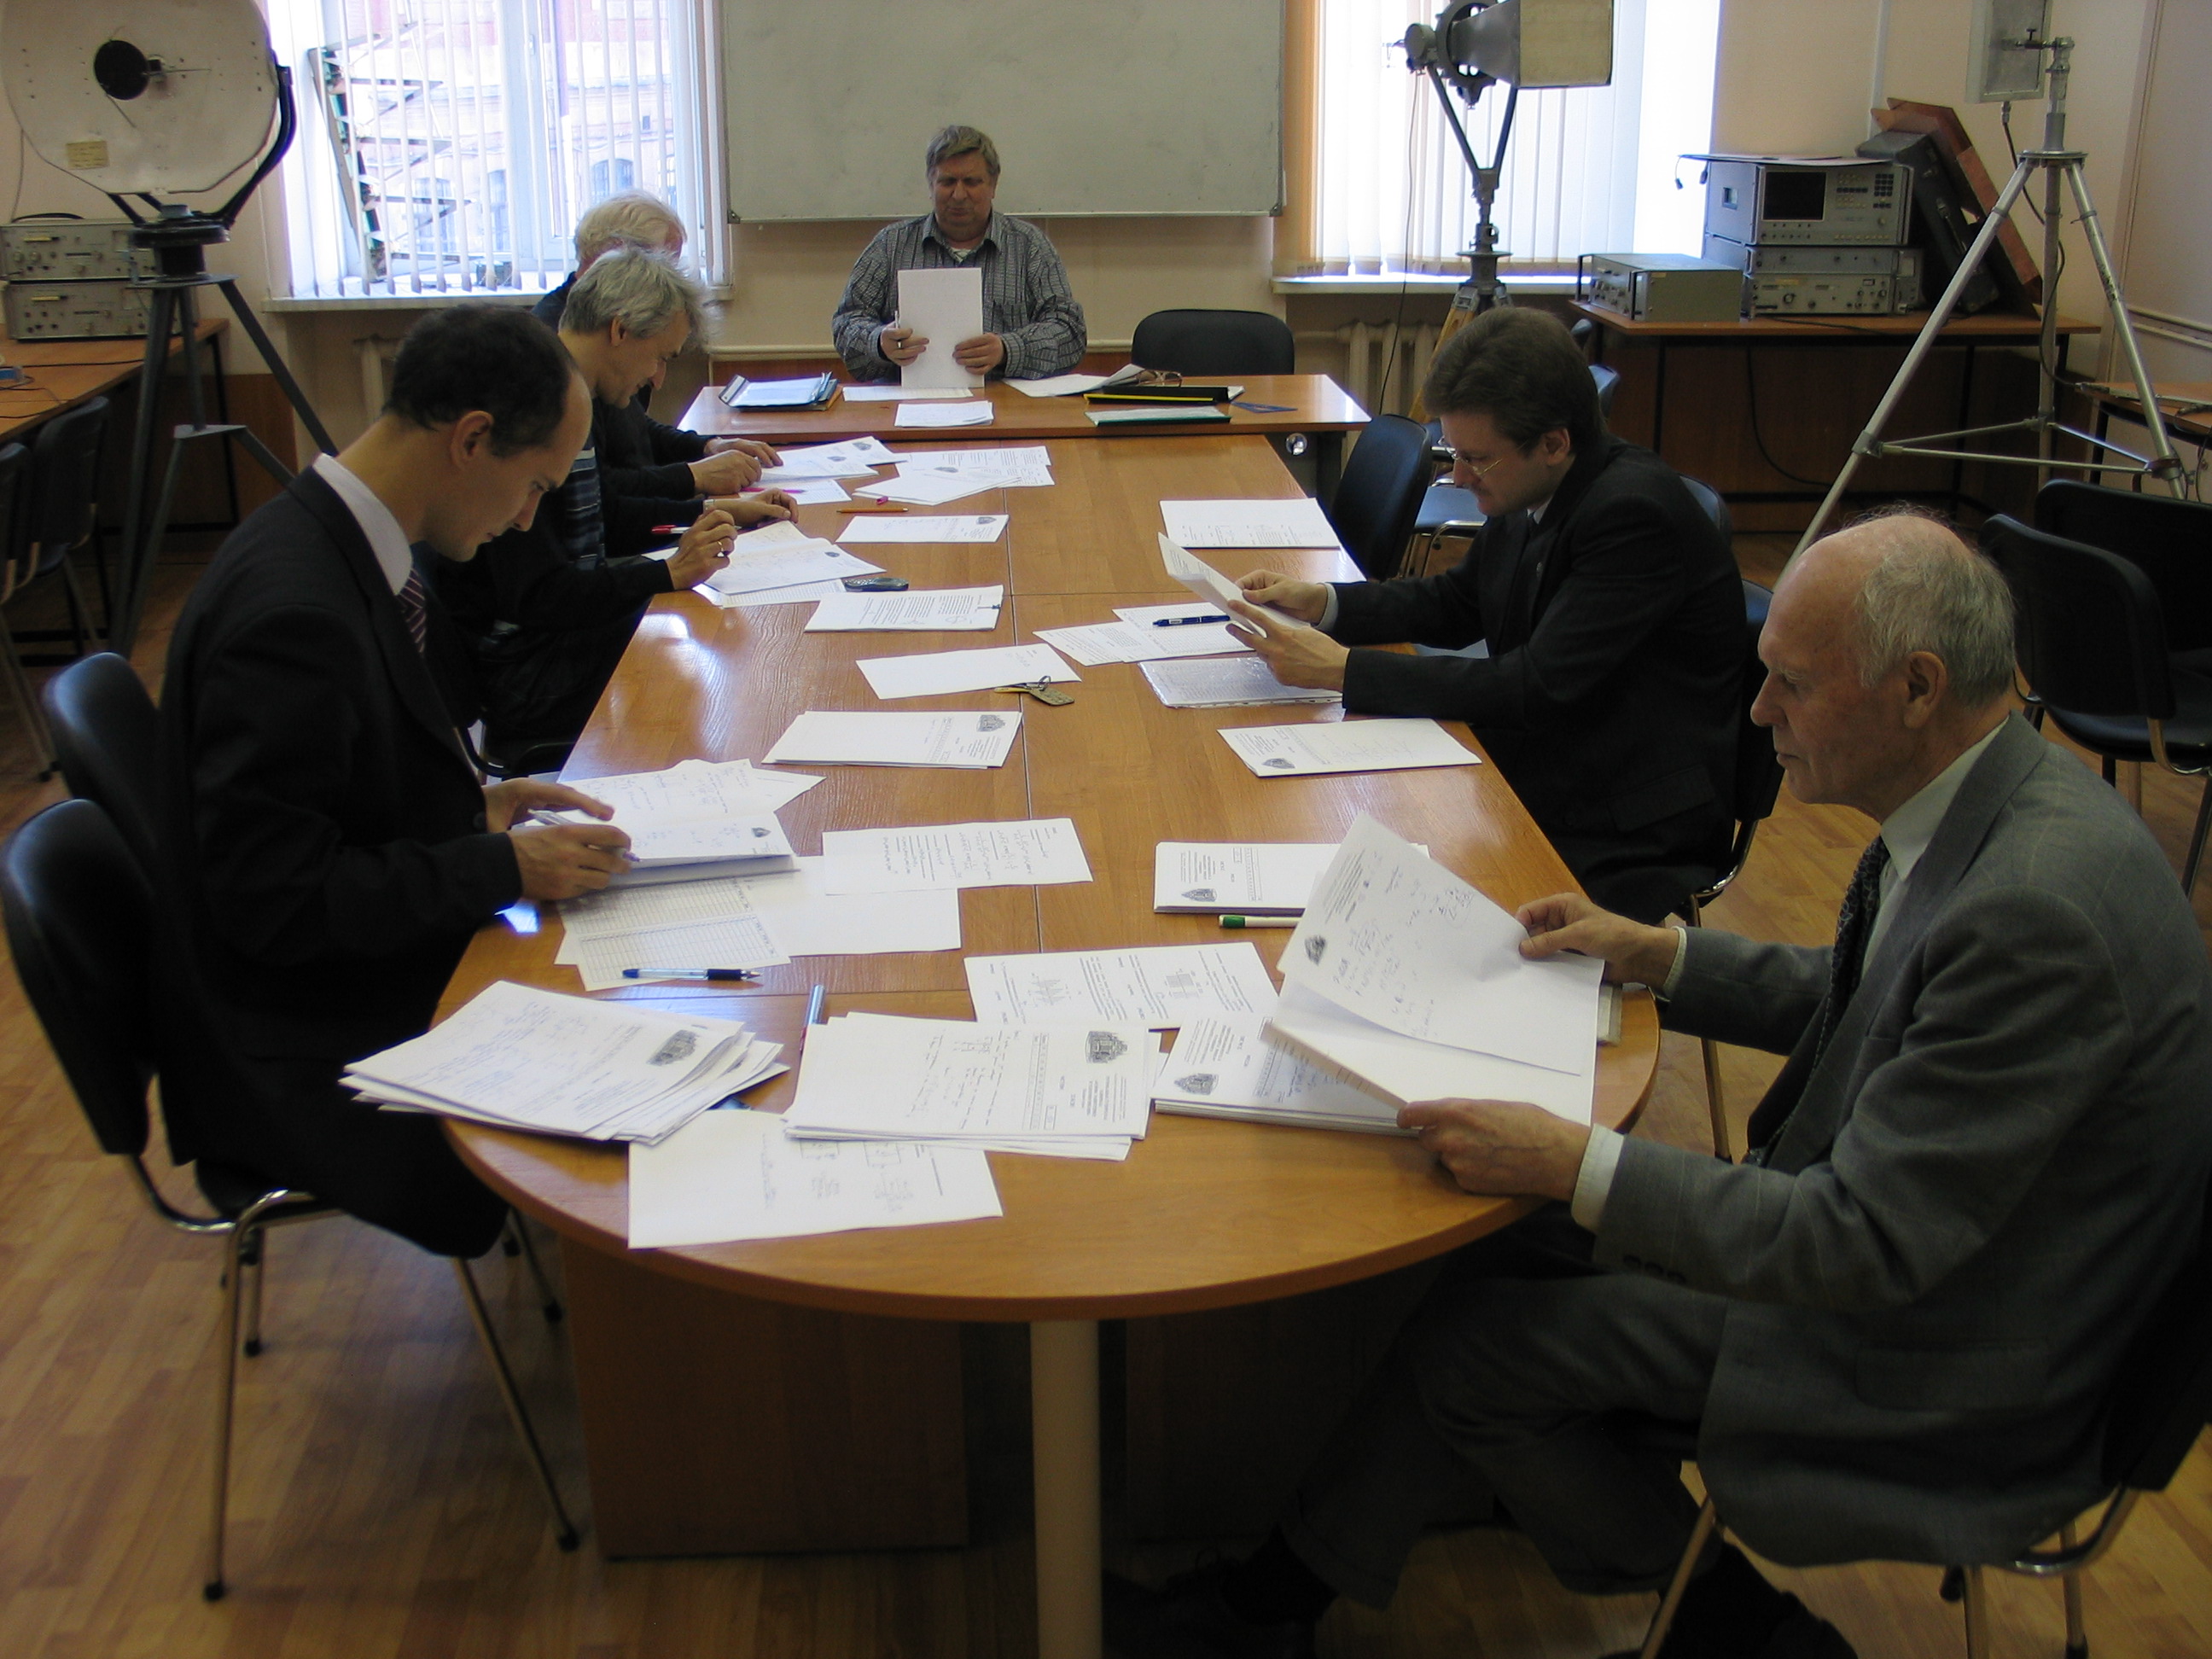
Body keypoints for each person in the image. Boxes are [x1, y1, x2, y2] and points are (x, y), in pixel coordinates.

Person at [1112, 512, 2212, 1659]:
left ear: (1918, 688)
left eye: (1790, 684)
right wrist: (1658, 956)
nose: (1758, 713)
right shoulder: (1997, 797)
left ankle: (1745, 1634)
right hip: (1929, 1253)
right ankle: (1282, 1598)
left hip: (1956, 1354)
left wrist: (1575, 1159)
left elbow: (1862, 1244)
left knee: (1481, 1351)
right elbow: (1878, 992)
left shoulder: (2034, 912)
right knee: (1500, 1245)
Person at [159, 305, 636, 1257]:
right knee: (637, 1064)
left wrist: (472, 807)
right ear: (472, 439)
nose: (527, 519)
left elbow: (337, 794)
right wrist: (500, 867)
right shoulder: (293, 613)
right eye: (534, 486)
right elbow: (275, 901)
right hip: (305, 1043)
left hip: (346, 975)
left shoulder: (332, 541)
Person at [1229, 307, 1743, 923]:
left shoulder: (1633, 516)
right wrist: (1326, 602)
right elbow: (1458, 602)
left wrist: (1342, 671)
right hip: (1553, 762)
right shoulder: (1535, 484)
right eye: (1455, 452)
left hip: (1624, 819)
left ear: (1554, 443)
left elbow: (1535, 686)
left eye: (1477, 458)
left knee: (1371, 894)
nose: (1459, 475)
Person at [439, 249, 795, 771]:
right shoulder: (537, 410)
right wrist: (667, 573)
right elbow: (540, 594)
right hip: (528, 675)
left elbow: (603, 517)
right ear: (620, 330)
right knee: (730, 661)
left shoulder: (572, 393)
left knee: (723, 634)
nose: (657, 378)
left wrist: (708, 510)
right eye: (660, 357)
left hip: (556, 640)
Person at [534, 189, 777, 533]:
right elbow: (601, 501)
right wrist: (695, 486)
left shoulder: (594, 346)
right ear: (619, 255)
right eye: (662, 263)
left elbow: (630, 427)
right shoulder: (557, 364)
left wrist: (704, 447)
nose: (658, 379)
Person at [831, 125, 1086, 382]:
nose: (959, 195)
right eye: (948, 182)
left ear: (993, 185)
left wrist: (1008, 349)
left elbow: (1070, 331)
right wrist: (879, 343)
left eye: (972, 182)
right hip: (906, 397)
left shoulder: (1029, 246)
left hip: (1006, 396)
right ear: (931, 184)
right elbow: (847, 323)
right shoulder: (891, 244)